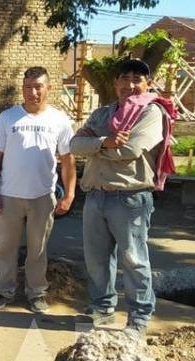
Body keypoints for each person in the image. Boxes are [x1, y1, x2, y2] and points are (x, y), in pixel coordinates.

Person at [70, 59, 173, 335]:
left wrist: (95, 144)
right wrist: (105, 141)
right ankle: (101, 309)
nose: (130, 84)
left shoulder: (152, 114)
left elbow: (131, 149)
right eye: (124, 78)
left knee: (134, 260)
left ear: (147, 84)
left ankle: (138, 318)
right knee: (96, 260)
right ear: (115, 84)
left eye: (137, 79)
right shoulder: (103, 114)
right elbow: (74, 145)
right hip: (95, 196)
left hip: (130, 198)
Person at [0, 66, 76, 314]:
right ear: (22, 88)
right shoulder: (8, 118)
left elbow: (68, 160)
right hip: (9, 196)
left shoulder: (60, 120)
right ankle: (3, 291)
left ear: (48, 88)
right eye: (28, 87)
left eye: (38, 87)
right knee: (5, 247)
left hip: (43, 196)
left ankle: (36, 293)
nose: (32, 92)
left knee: (38, 248)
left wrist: (69, 194)